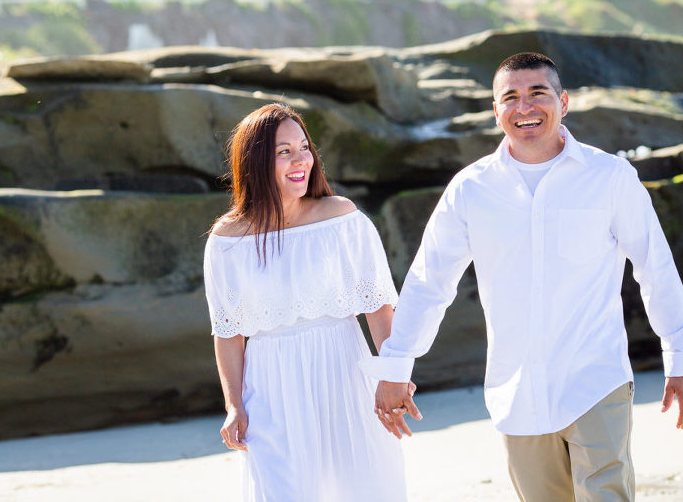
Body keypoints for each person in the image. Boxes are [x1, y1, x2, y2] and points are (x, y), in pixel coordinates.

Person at [362, 52, 683, 501]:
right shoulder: (471, 190)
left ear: (563, 101)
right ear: (496, 111)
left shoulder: (609, 177)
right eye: (510, 97)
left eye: (538, 93)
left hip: (596, 379)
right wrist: (397, 365)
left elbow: (655, 267)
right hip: (516, 395)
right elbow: (429, 282)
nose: (524, 107)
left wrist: (679, 353)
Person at [203, 102, 408, 501]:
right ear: (255, 162)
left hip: (344, 374)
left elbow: (378, 306)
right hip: (269, 388)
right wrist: (234, 405)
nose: (301, 161)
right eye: (284, 152)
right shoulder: (226, 241)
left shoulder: (342, 217)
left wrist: (393, 374)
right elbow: (227, 332)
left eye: (304, 147)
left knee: (365, 490)